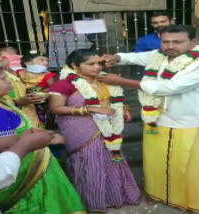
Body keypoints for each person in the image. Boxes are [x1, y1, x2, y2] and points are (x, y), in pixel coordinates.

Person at [99, 25, 199, 213]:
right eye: (166, 41)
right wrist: (117, 57)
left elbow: (171, 87)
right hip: (155, 119)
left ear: (193, 42)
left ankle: (193, 202)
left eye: (177, 42)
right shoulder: (160, 55)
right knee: (155, 162)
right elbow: (136, 57)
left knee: (187, 166)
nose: (170, 46)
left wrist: (122, 82)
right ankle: (159, 195)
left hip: (187, 122)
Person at [48, 49, 140, 212]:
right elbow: (55, 108)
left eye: (99, 63)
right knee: (90, 161)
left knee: (112, 159)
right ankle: (93, 200)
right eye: (90, 64)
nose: (97, 67)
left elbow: (111, 100)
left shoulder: (104, 79)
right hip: (80, 130)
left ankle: (114, 196)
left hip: (108, 127)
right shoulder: (64, 84)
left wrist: (124, 108)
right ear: (74, 65)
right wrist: (89, 109)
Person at [0, 65, 86, 214]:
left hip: (34, 160)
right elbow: (5, 146)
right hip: (25, 169)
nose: (10, 83)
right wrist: (40, 139)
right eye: (3, 79)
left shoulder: (0, 103)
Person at [17, 50, 57, 128]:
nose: (45, 62)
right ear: (27, 62)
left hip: (40, 101)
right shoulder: (19, 72)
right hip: (23, 100)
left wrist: (44, 92)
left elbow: (54, 88)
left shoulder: (48, 75)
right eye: (41, 60)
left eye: (46, 61)